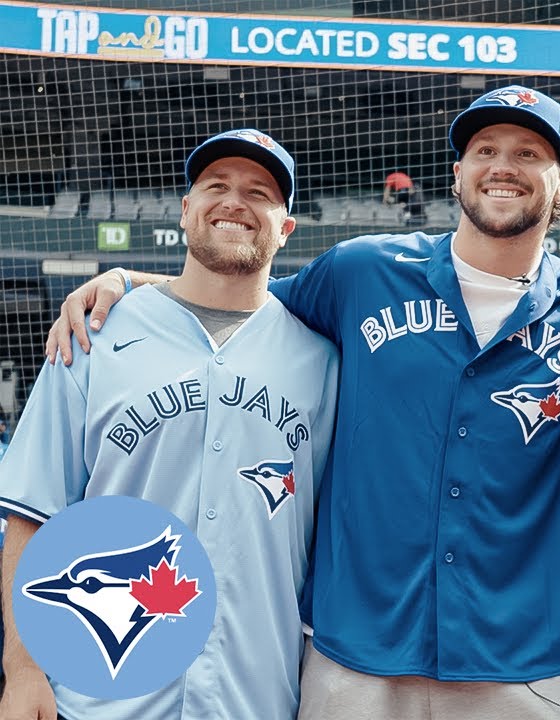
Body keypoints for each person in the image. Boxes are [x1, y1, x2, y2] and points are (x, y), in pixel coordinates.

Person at [41, 87, 560, 720]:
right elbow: (240, 289)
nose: (503, 164)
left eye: (528, 153)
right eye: (485, 148)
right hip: (354, 662)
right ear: (459, 173)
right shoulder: (360, 271)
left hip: (525, 665)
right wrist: (130, 284)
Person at [0, 129, 339, 720]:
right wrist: (24, 667)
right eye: (217, 186)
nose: (235, 201)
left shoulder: (323, 360)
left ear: (286, 228)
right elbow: (35, 513)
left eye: (259, 192)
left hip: (255, 696)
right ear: (186, 211)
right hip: (102, 696)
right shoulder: (93, 335)